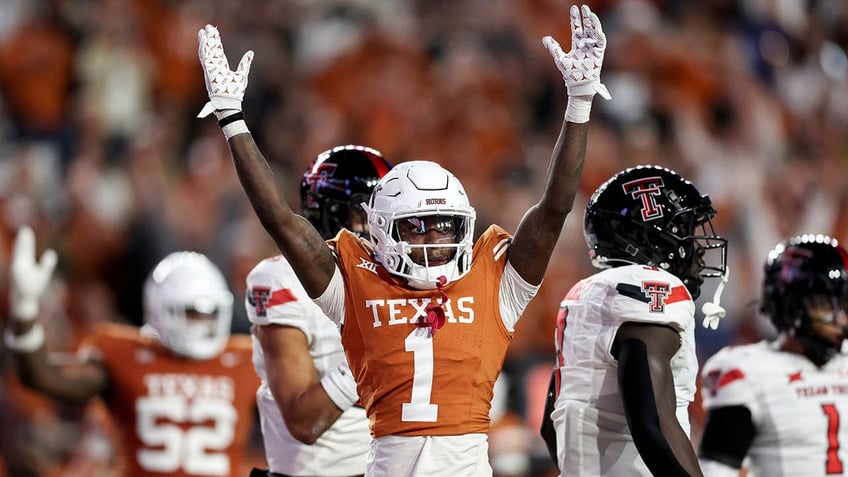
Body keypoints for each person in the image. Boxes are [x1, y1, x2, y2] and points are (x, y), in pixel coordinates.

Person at [197, 3, 609, 475]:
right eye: (416, 227)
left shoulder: (494, 280)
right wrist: (232, 119)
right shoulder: (354, 282)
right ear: (378, 230)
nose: (433, 240)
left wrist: (579, 102)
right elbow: (282, 221)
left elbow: (555, 208)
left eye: (445, 226)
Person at [4, 226, 260, 477]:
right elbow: (41, 375)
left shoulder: (245, 360)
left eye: (208, 315)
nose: (201, 325)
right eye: (190, 314)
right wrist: (24, 309)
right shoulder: (125, 356)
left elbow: (298, 420)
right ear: (159, 310)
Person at [542, 164, 728, 476]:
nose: (696, 247)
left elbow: (550, 428)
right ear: (649, 240)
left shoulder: (586, 296)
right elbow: (652, 424)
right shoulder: (650, 288)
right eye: (683, 230)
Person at [246, 144, 391, 477]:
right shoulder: (280, 279)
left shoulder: (395, 277)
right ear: (329, 212)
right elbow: (305, 421)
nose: (377, 225)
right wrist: (378, 351)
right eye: (364, 213)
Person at [698, 234, 848, 477]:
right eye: (825, 305)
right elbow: (717, 470)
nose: (840, 319)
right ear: (790, 304)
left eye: (844, 305)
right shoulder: (751, 371)